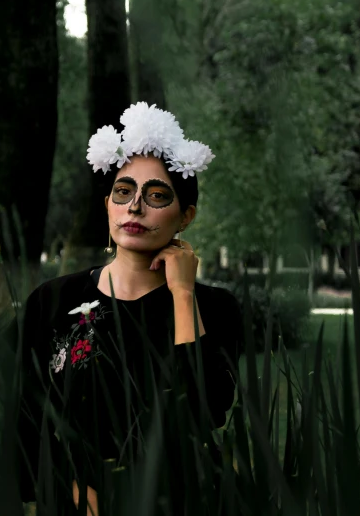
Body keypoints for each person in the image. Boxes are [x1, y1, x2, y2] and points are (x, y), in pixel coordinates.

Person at [15, 102, 242, 515]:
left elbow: (201, 411)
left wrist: (183, 295)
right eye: (124, 191)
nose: (135, 206)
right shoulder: (52, 301)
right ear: (107, 204)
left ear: (185, 216)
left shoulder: (214, 307)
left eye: (156, 195)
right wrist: (73, 492)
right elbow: (25, 421)